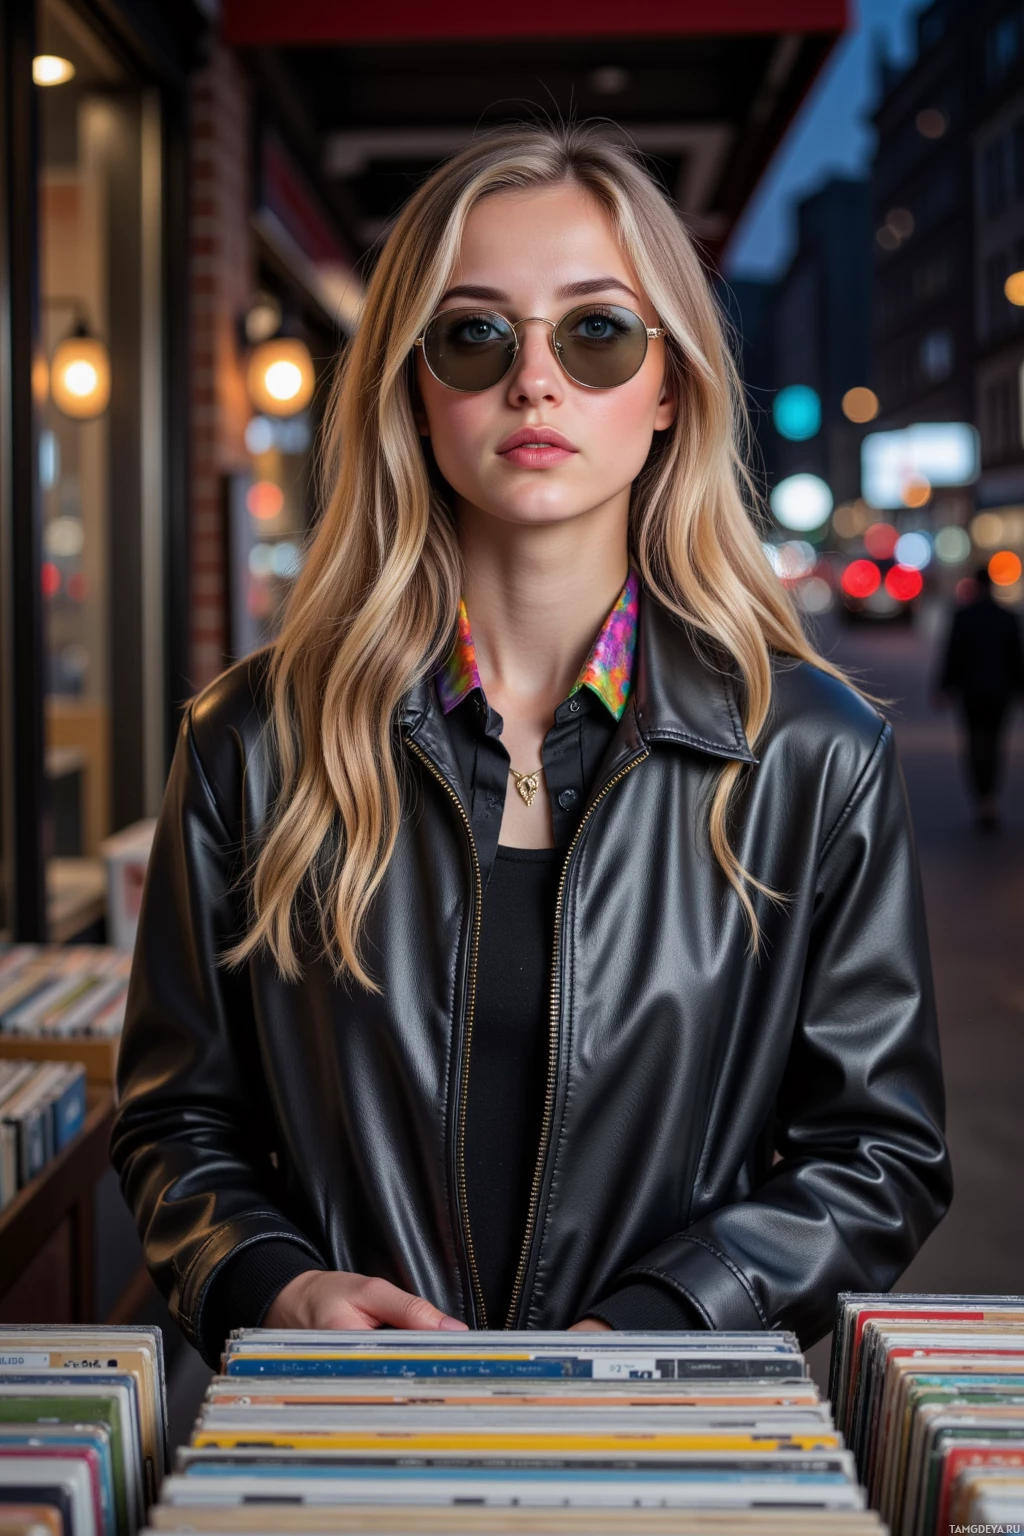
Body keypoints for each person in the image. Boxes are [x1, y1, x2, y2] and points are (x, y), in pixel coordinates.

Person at [110, 124, 951, 1369]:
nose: (536, 382)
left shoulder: (808, 755)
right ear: (412, 383)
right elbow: (177, 1119)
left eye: (597, 332)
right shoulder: (253, 742)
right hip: (344, 1433)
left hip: (665, 1434)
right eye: (475, 333)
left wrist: (660, 1327)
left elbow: (877, 1151)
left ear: (669, 388)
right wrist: (274, 1288)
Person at [936, 564, 1024, 831]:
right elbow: (1016, 658)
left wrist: (945, 688)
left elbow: (952, 655)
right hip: (1000, 693)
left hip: (971, 693)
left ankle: (981, 798)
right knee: (996, 744)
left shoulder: (963, 616)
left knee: (975, 743)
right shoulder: (1007, 617)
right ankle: (990, 799)